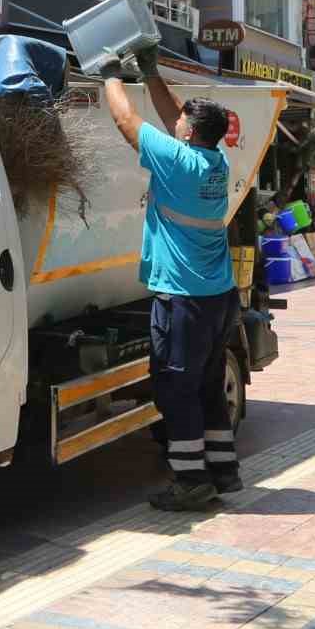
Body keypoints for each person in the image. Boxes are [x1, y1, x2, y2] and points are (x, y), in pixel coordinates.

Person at [101, 47, 241, 513]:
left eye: (182, 122)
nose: (175, 123)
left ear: (190, 133)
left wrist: (110, 76)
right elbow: (170, 119)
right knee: (205, 385)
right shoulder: (213, 164)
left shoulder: (179, 162)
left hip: (184, 301)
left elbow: (128, 122)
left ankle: (190, 481)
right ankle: (222, 470)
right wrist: (152, 71)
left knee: (176, 389)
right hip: (217, 297)